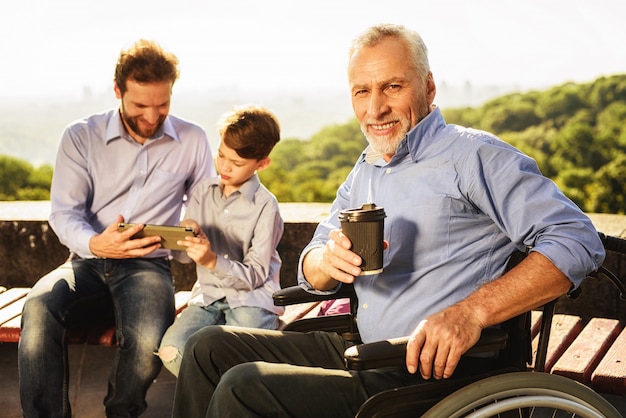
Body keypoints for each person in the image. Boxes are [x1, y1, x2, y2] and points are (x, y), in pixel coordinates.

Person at [171, 24, 605, 417]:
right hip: (360, 347)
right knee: (208, 347)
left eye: (392, 86)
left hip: (425, 369)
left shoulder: (473, 157)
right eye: (362, 92)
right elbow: (312, 262)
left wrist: (469, 313)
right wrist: (325, 261)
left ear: (428, 87)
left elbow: (577, 239)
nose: (375, 108)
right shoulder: (367, 168)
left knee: (246, 387)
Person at [18, 39, 215, 418]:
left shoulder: (192, 139)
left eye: (163, 105)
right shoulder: (80, 136)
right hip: (86, 261)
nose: (152, 117)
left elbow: (204, 205)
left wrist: (193, 225)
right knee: (39, 307)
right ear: (117, 90)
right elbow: (63, 213)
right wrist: (97, 243)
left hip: (149, 264)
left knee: (145, 340)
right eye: (140, 105)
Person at [157, 105, 284, 377]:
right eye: (222, 155)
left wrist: (212, 260)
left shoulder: (266, 207)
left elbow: (256, 274)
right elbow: (182, 256)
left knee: (244, 364)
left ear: (261, 163)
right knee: (172, 350)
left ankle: (225, 399)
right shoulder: (203, 192)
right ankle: (222, 399)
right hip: (209, 294)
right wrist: (184, 237)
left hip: (253, 297)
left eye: (237, 163)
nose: (225, 166)